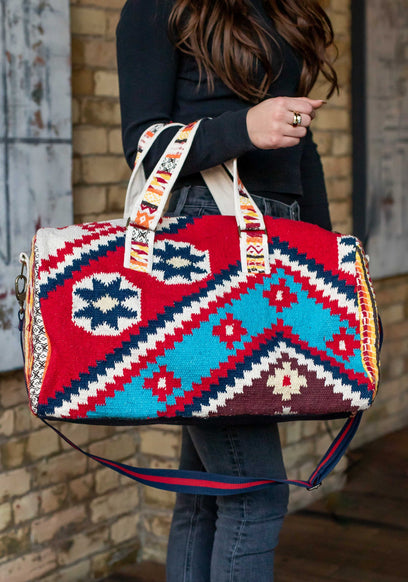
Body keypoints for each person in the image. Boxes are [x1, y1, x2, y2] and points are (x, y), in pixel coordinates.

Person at [116, 1, 338, 580]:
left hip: (275, 243)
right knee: (256, 495)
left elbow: (300, 147)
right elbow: (143, 145)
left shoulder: (281, 7)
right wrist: (245, 127)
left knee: (206, 490)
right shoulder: (158, 7)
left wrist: (329, 262)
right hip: (204, 252)